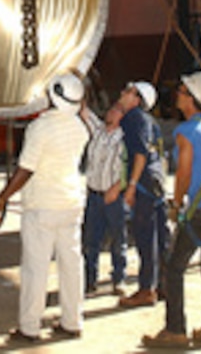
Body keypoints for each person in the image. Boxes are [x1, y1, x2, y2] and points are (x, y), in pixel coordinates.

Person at [0, 72, 90, 344]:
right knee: (71, 265)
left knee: (36, 268)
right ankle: (72, 321)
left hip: (42, 207)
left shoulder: (41, 128)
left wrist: (3, 197)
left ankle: (30, 327)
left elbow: (26, 170)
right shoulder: (80, 127)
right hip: (71, 204)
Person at [142, 71, 201, 349]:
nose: (178, 94)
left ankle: (176, 330)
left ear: (193, 99)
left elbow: (183, 173)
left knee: (174, 267)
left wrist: (177, 203)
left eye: (183, 91)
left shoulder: (186, 132)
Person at [116, 80, 169, 309]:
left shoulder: (132, 118)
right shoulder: (150, 121)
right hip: (156, 182)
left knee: (145, 237)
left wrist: (131, 186)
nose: (123, 93)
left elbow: (139, 155)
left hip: (144, 184)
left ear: (138, 99)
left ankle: (146, 289)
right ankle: (163, 286)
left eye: (128, 91)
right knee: (160, 238)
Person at [81, 103, 127, 297]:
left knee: (118, 238)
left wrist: (116, 188)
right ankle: (90, 280)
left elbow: (129, 165)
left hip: (113, 195)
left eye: (116, 110)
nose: (110, 111)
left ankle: (119, 278)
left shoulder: (125, 138)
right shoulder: (97, 130)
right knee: (91, 239)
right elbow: (84, 110)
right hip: (94, 193)